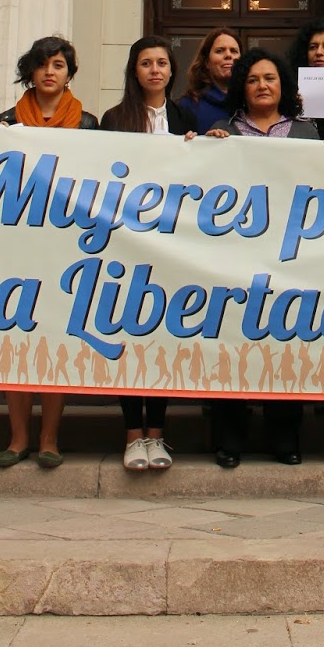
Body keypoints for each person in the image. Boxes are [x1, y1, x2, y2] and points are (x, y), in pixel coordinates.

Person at [206, 49, 317, 466]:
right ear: (242, 87)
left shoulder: (306, 133)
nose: (262, 85)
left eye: (270, 78)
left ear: (283, 85)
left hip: (290, 257)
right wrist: (203, 151)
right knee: (231, 346)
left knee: (286, 345)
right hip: (237, 255)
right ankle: (228, 439)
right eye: (253, 79)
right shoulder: (224, 130)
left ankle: (284, 437)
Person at [0, 35, 97, 469]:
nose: (50, 71)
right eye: (42, 64)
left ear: (69, 73)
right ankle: (18, 439)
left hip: (64, 246)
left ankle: (50, 438)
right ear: (30, 72)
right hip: (17, 245)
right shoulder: (4, 120)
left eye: (58, 64)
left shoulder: (89, 124)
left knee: (54, 342)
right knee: (18, 343)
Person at [100, 36, 196, 471]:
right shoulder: (114, 118)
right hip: (126, 242)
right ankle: (131, 435)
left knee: (159, 338)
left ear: (172, 71)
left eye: (161, 63)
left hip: (173, 243)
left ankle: (157, 436)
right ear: (133, 71)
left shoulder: (185, 116)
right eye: (145, 63)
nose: (154, 70)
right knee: (127, 337)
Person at [177, 28, 242, 133]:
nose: (228, 55)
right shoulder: (189, 105)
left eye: (233, 51)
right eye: (220, 51)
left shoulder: (250, 103)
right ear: (206, 62)